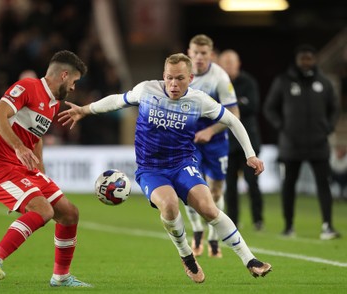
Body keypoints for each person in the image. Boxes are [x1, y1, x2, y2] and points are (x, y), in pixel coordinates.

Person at [59, 53, 272, 283]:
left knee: (209, 209)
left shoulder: (199, 101)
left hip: (183, 164)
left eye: (180, 78)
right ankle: (186, 255)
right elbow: (116, 100)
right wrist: (85, 109)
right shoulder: (147, 90)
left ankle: (250, 259)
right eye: (169, 78)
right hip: (151, 169)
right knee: (169, 206)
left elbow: (232, 120)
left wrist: (251, 155)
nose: (173, 84)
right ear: (163, 76)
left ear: (190, 78)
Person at [0, 50, 92, 287]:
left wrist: (40, 171)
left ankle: (61, 278)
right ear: (64, 75)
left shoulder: (52, 104)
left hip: (23, 169)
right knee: (44, 211)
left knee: (70, 213)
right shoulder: (27, 87)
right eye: (74, 82)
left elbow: (35, 137)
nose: (73, 88)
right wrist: (18, 147)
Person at [264, 44, 341, 240]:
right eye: (302, 58)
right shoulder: (283, 81)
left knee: (324, 185)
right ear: (297, 60)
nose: (306, 62)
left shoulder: (324, 82)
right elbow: (269, 108)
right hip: (291, 144)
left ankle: (328, 226)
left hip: (318, 143)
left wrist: (328, 127)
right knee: (288, 186)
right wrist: (282, 126)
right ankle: (289, 226)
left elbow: (335, 108)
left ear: (314, 60)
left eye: (309, 58)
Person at [185, 34, 240, 258]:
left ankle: (213, 236)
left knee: (215, 191)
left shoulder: (219, 77)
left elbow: (234, 114)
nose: (199, 58)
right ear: (189, 52)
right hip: (188, 140)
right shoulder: (181, 75)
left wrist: (210, 130)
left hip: (215, 142)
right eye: (195, 53)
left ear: (211, 55)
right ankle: (197, 229)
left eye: (203, 53)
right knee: (189, 188)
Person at [218, 49, 264, 230]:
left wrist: (228, 106)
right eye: (225, 62)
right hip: (226, 142)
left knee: (252, 183)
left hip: (248, 142)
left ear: (238, 64)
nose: (228, 66)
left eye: (231, 62)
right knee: (229, 186)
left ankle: (258, 220)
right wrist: (237, 104)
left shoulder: (248, 82)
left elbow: (252, 106)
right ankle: (233, 221)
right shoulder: (218, 84)